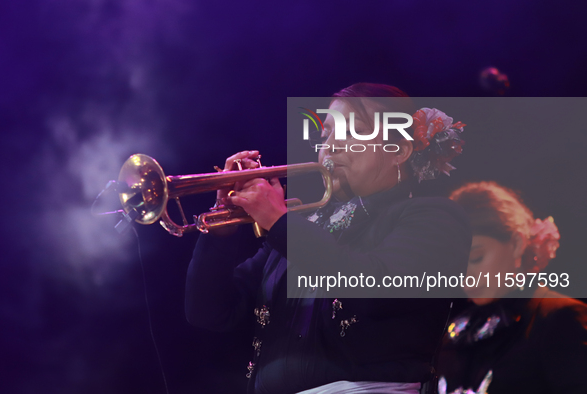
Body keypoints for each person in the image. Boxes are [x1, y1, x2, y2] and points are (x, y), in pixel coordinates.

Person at [185, 83, 472, 394]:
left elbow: (376, 290)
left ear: (398, 151)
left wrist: (279, 221)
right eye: (324, 137)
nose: (330, 146)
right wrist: (222, 227)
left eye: (351, 133)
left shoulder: (435, 216)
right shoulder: (304, 227)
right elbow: (210, 311)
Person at [437, 181, 587, 394]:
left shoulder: (560, 317)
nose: (464, 277)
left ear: (516, 244)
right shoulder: (461, 327)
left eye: (476, 258)